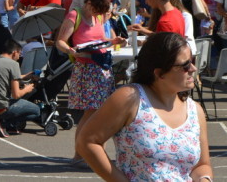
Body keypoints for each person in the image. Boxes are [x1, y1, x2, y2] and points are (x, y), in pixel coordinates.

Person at [76, 32, 213, 181]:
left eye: (192, 61)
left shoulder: (195, 111)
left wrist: (204, 178)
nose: (193, 68)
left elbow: (201, 165)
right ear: (160, 73)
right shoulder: (130, 98)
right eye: (185, 65)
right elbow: (87, 141)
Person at [55, 0, 126, 165]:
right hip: (86, 68)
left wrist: (114, 41)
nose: (98, 15)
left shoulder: (99, 17)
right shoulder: (74, 15)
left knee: (97, 113)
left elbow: (101, 38)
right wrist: (69, 50)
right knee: (90, 113)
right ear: (88, 3)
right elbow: (60, 41)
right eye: (96, 10)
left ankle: (85, 151)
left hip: (101, 67)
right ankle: (80, 153)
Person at [0, 40, 39, 138]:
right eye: (20, 54)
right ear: (15, 52)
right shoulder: (13, 64)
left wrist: (27, 76)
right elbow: (16, 95)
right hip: (1, 107)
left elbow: (6, 74)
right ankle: (5, 123)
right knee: (36, 111)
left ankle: (4, 122)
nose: (20, 57)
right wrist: (27, 89)